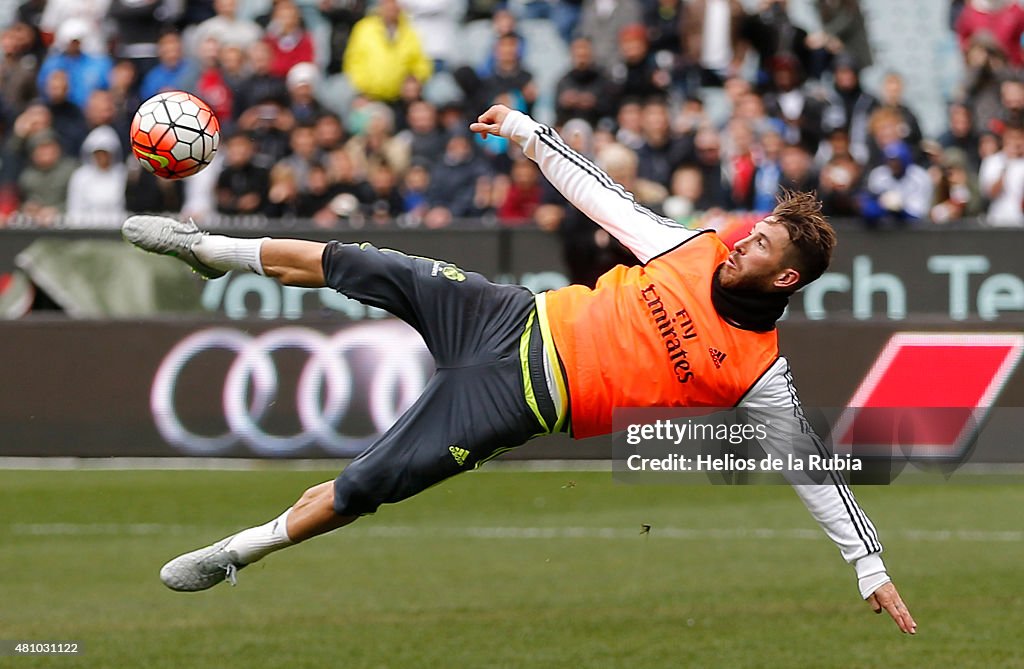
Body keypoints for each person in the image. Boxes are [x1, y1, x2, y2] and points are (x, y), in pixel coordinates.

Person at [121, 103, 916, 634]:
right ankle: (209, 249)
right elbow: (606, 199)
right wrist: (534, 136)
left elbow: (811, 467)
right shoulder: (694, 245)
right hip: (510, 313)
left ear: (785, 279)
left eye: (764, 245)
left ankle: (237, 552)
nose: (745, 239)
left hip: (515, 399)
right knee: (358, 261)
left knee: (366, 487)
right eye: (758, 228)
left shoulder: (756, 370)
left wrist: (867, 563)